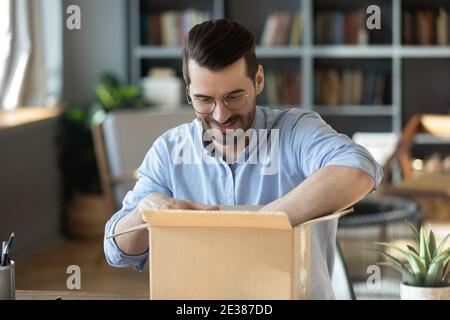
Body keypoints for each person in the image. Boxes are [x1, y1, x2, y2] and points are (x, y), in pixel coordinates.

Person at [104, 19, 382, 299]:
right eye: (204, 100)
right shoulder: (168, 151)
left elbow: (359, 168)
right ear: (188, 92)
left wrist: (258, 225)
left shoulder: (297, 130)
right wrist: (143, 212)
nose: (220, 115)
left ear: (258, 80)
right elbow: (116, 251)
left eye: (233, 97)